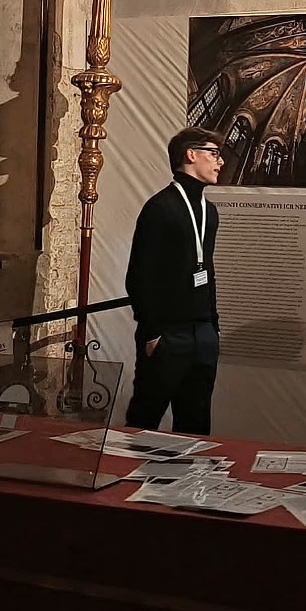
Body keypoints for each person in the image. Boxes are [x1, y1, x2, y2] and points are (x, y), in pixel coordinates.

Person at [124, 127, 225, 434]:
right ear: (190, 154)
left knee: (196, 424)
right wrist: (153, 332)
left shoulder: (210, 212)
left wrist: (213, 326)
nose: (220, 162)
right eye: (214, 154)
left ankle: (191, 470)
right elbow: (139, 275)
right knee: (144, 422)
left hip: (203, 334)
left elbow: (207, 270)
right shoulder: (160, 207)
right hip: (168, 335)